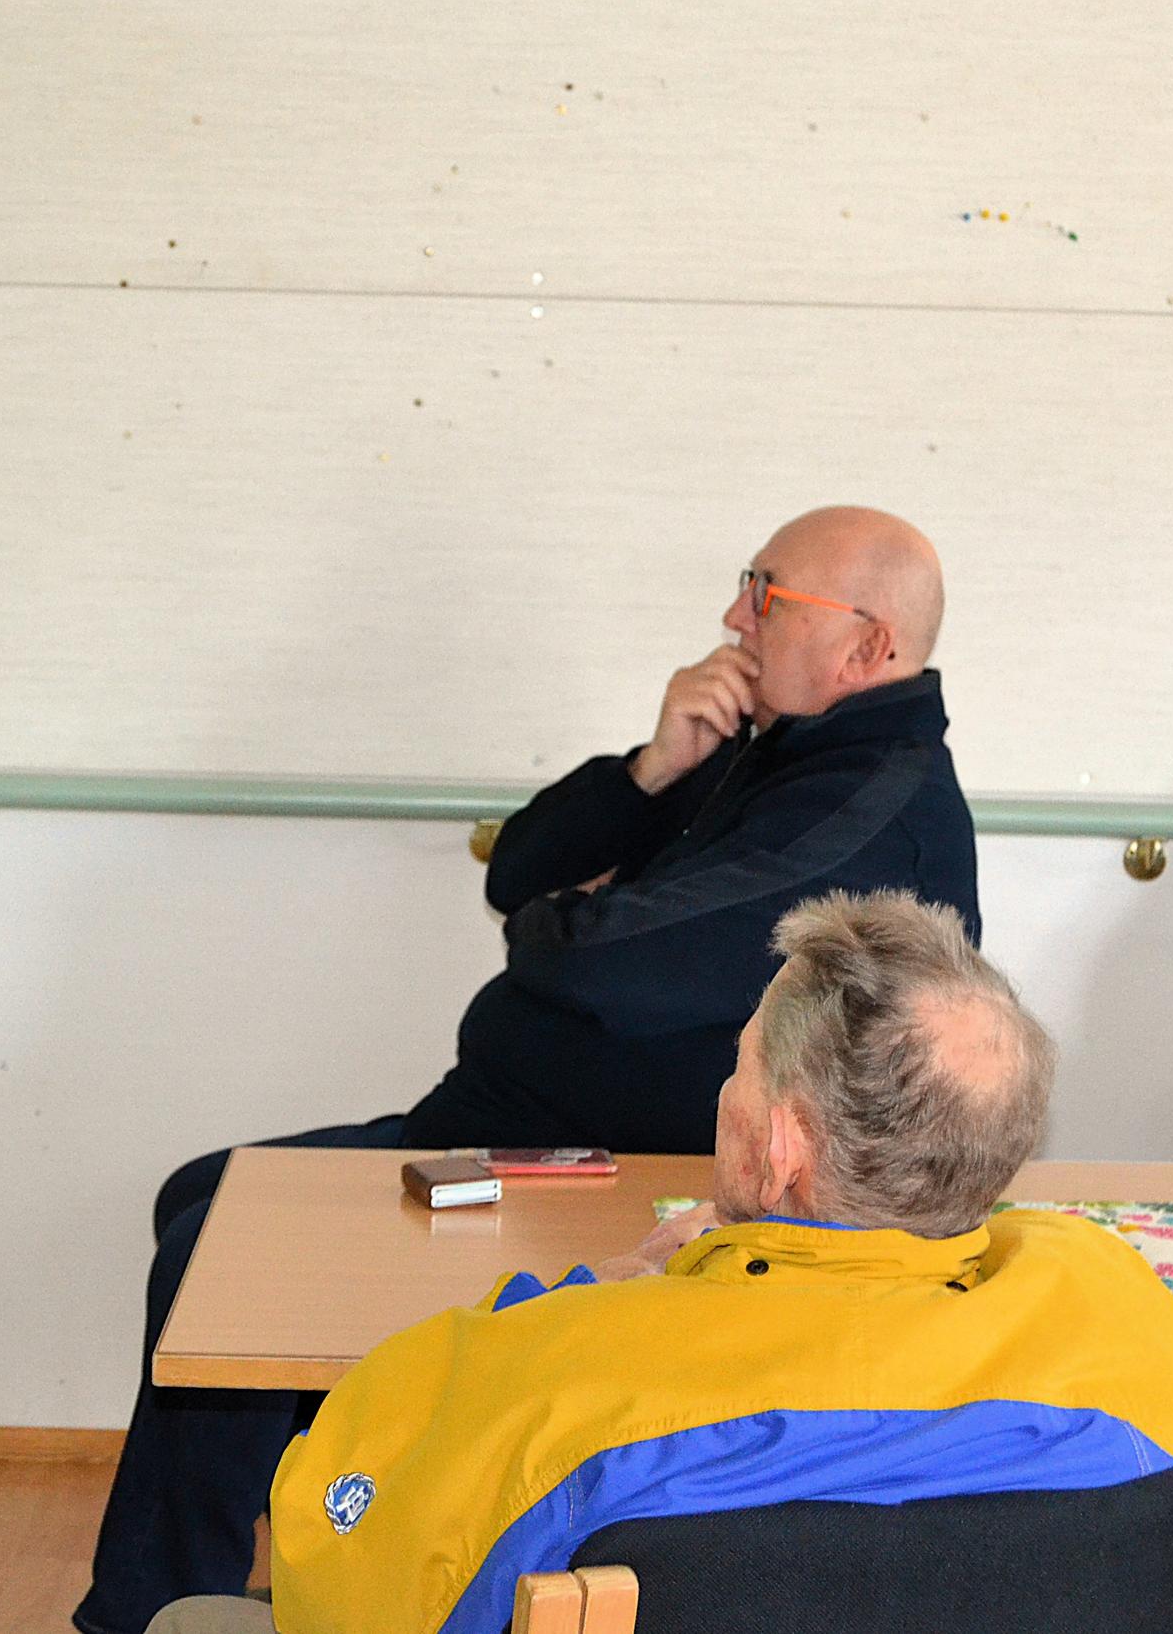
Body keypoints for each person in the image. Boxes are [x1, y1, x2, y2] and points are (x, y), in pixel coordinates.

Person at [78, 506, 983, 1631]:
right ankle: (305, 1551)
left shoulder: (871, 804)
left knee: (211, 1252)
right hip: (507, 1132)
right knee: (199, 1201)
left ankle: (162, 1604)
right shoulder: (770, 750)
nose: (732, 614)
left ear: (869, 645)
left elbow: (592, 956)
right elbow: (519, 869)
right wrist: (652, 769)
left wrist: (574, 918)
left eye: (767, 593)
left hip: (608, 1180)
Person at [140, 891, 1173, 1634]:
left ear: (781, 1146)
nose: (727, 1087)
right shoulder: (1148, 1342)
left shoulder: (558, 1375)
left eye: (743, 1063)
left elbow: (336, 1569)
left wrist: (590, 1297)